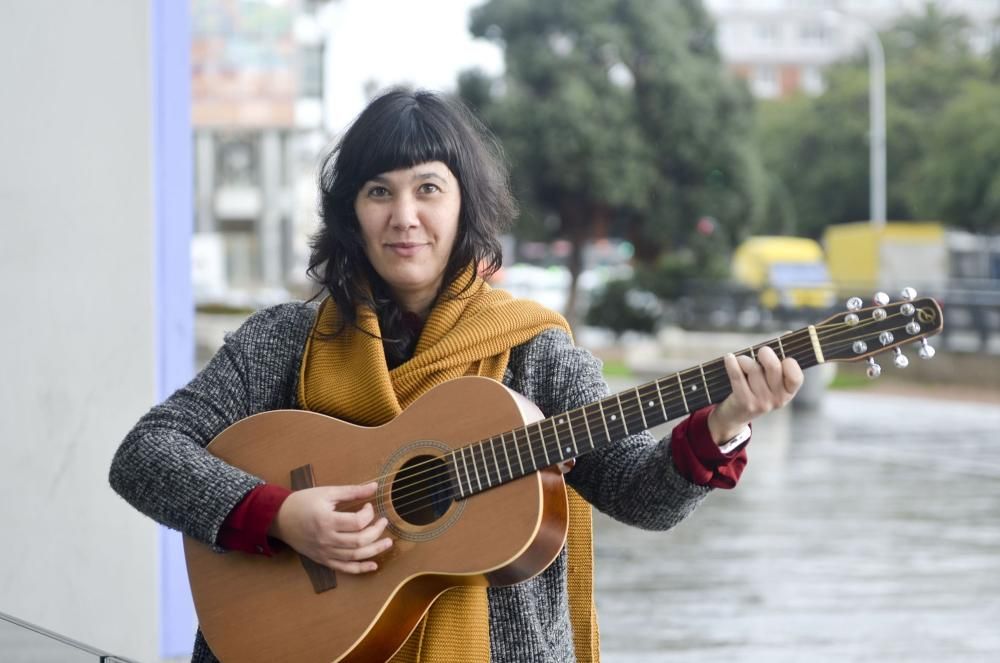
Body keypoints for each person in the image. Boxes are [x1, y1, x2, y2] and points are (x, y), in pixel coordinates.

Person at [109, 88, 803, 663]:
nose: (403, 216)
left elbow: (637, 493)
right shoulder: (286, 342)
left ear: (464, 203)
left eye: (428, 189)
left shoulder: (533, 348)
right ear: (351, 210)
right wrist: (283, 515)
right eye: (379, 191)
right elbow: (145, 453)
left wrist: (723, 425)